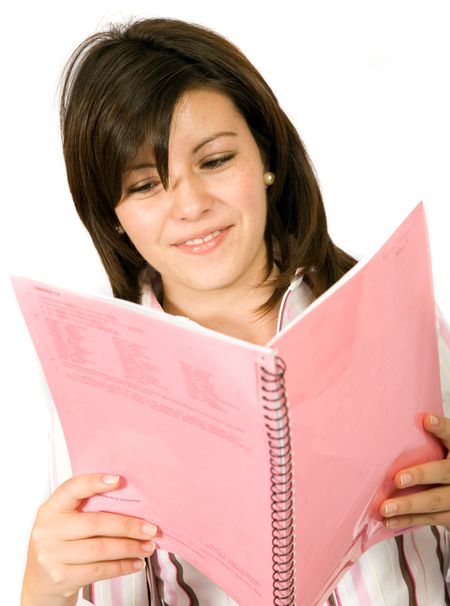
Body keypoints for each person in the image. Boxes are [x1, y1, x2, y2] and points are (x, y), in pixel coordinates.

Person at [20, 17, 450, 606]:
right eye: (145, 185)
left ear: (267, 159)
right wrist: (43, 589)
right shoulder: (94, 381)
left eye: (216, 160)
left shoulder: (398, 314)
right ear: (113, 214)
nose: (191, 205)